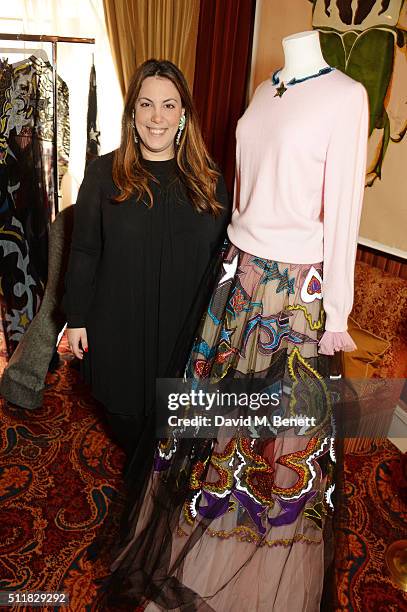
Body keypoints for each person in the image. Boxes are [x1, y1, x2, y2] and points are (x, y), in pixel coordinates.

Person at [105, 31, 369, 611]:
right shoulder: (261, 89)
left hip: (293, 293)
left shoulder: (346, 96)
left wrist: (338, 311)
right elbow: (244, 193)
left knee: (275, 442)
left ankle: (260, 572)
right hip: (236, 278)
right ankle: (201, 543)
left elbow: (346, 210)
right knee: (213, 428)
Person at [63, 59, 229, 458]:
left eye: (169, 105)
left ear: (184, 113)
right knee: (128, 427)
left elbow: (223, 261)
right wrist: (76, 318)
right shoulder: (104, 174)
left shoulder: (209, 179)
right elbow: (85, 249)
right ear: (132, 112)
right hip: (119, 331)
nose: (157, 117)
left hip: (185, 336)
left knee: (178, 442)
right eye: (146, 104)